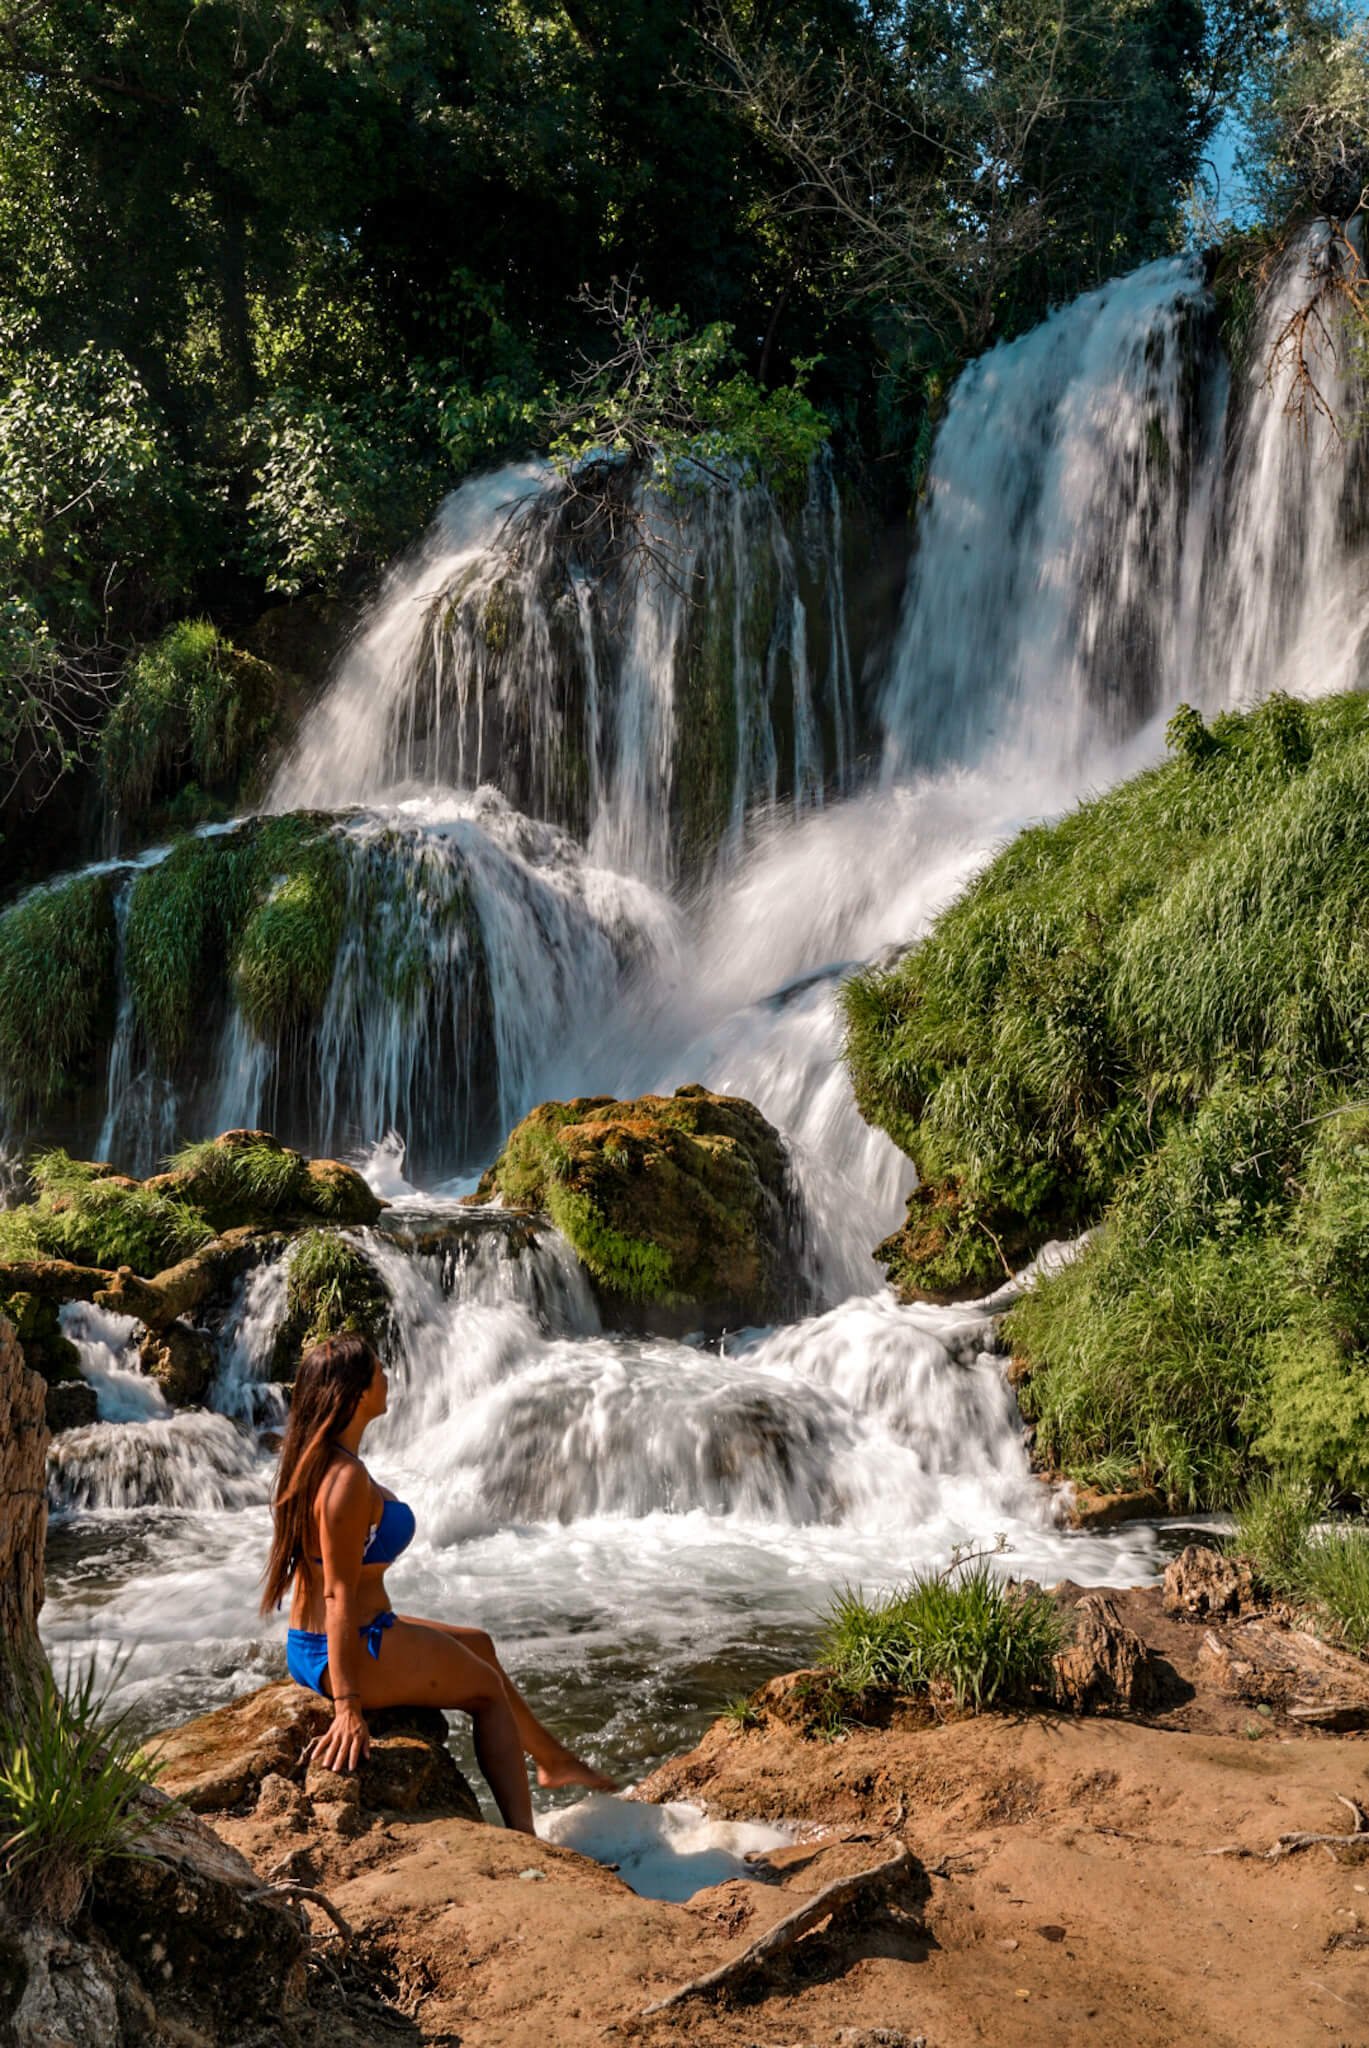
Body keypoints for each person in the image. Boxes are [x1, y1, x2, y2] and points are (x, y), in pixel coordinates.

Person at [261, 1332, 613, 1834]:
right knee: (487, 1692)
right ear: (357, 1394)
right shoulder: (344, 1481)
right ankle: (526, 1839)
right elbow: (336, 1592)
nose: (388, 1377)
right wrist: (348, 1705)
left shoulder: (314, 1462)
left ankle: (553, 1761)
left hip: (323, 1640)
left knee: (481, 1646)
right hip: (351, 1648)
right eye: (379, 1371)